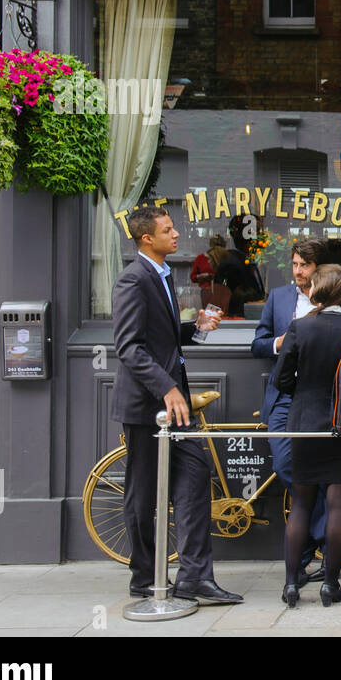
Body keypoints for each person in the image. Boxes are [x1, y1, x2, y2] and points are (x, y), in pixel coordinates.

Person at [110, 206, 242, 605]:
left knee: (195, 478)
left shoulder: (162, 275)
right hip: (148, 406)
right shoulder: (134, 279)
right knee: (143, 493)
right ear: (147, 238)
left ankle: (194, 578)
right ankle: (143, 576)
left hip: (174, 404)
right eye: (168, 230)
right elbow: (129, 348)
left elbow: (160, 339)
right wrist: (167, 388)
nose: (176, 234)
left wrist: (195, 328)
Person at [272, 265, 341, 607]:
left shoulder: (299, 327)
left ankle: (290, 584)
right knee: (338, 505)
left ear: (315, 291)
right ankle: (330, 584)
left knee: (300, 504)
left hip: (303, 422)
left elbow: (281, 380)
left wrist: (302, 391)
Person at [251, 237, 328, 585]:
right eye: (294, 265)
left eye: (304, 266)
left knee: (324, 472)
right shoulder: (278, 298)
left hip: (321, 398)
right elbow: (257, 343)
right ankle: (319, 536)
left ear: (318, 268)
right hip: (283, 397)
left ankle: (311, 547)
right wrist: (277, 343)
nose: (297, 271)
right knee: (286, 465)